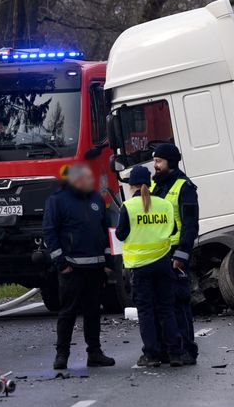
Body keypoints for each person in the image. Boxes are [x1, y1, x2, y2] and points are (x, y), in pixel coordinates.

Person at [42, 163, 116, 370]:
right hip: (72, 269)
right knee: (68, 312)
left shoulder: (96, 200)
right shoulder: (57, 201)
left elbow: (106, 231)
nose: (91, 182)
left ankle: (95, 353)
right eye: (86, 178)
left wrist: (108, 262)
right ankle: (62, 355)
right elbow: (49, 233)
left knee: (93, 312)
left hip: (96, 268)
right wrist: (61, 263)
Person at [116, 167, 189, 367]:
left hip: (140, 267)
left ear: (132, 185)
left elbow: (121, 234)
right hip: (164, 263)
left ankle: (152, 354)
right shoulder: (164, 205)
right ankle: (175, 353)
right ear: (149, 182)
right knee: (167, 308)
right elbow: (173, 228)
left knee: (146, 311)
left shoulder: (129, 206)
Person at [150, 143, 199, 363]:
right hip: (156, 254)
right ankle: (169, 349)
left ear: (170, 162)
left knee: (178, 303)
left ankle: (188, 349)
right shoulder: (154, 187)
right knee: (160, 305)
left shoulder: (184, 187)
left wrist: (182, 255)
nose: (155, 165)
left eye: (159, 161)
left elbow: (190, 225)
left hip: (174, 253)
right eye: (154, 161)